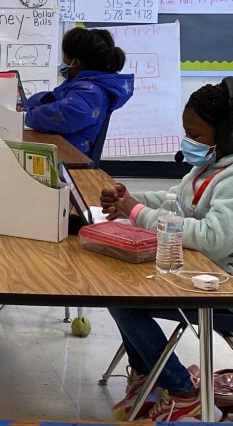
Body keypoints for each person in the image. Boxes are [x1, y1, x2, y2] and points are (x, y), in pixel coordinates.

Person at [100, 81, 233, 421]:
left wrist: (137, 213)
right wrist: (130, 199)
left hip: (223, 289)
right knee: (119, 291)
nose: (188, 141)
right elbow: (174, 199)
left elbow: (212, 237)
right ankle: (151, 378)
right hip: (200, 273)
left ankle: (182, 391)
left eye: (195, 134)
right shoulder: (207, 168)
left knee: (126, 303)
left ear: (227, 134)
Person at [24, 27, 134, 156]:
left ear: (76, 62)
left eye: (65, 55)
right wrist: (33, 105)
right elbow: (53, 97)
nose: (63, 60)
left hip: (70, 157)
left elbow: (62, 115)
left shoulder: (90, 92)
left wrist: (25, 116)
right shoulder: (79, 84)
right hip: (61, 149)